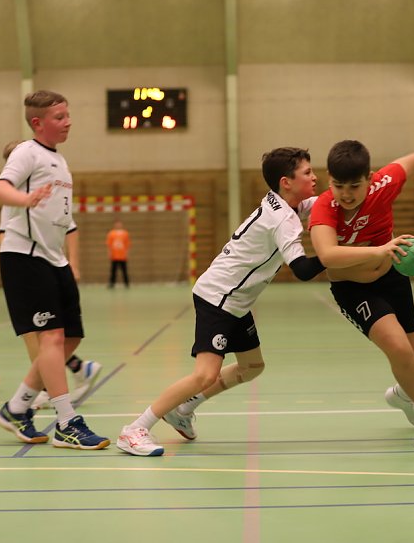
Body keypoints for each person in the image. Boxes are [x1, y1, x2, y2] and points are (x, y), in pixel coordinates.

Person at [116, 147, 325, 456]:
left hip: (236, 301)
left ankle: (183, 410)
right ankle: (135, 429)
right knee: (205, 375)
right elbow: (304, 270)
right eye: (307, 173)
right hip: (219, 297)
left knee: (252, 366)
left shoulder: (285, 203)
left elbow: (322, 203)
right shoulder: (283, 220)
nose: (315, 177)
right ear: (286, 182)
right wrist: (338, 254)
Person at [309, 140, 414, 449]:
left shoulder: (385, 182)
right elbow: (326, 255)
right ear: (329, 178)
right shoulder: (324, 207)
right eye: (339, 185)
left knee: (412, 361)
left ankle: (405, 395)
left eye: (355, 185)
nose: (347, 194)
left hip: (391, 276)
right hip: (352, 289)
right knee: (399, 350)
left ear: (370, 177)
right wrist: (381, 249)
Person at [0, 90, 109, 450]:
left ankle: (16, 408)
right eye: (60, 117)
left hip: (53, 258)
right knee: (52, 339)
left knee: (69, 338)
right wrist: (23, 199)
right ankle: (66, 421)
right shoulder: (27, 152)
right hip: (25, 256)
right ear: (38, 123)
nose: (68, 121)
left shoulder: (59, 161)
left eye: (68, 115)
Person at [0, 140, 102, 410]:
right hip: (25, 265)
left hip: (50, 264)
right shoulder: (13, 196)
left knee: (47, 336)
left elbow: (71, 228)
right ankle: (70, 377)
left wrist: (73, 265)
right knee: (44, 335)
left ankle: (40, 393)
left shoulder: (51, 187)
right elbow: (4, 236)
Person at [106, 220, 130, 288]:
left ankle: (127, 283)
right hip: (114, 256)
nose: (118, 225)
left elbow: (127, 245)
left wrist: (127, 254)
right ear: (115, 225)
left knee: (124, 271)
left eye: (119, 224)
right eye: (117, 224)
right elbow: (109, 245)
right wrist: (109, 254)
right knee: (113, 271)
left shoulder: (125, 233)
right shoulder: (111, 233)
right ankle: (112, 283)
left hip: (122, 256)